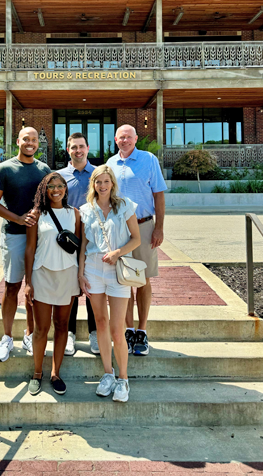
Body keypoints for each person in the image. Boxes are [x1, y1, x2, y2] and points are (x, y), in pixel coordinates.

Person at [0, 127, 50, 362]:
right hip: (14, 235)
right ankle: (6, 337)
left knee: (33, 289)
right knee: (12, 286)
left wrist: (35, 212)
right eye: (26, 139)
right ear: (18, 141)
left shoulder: (44, 169)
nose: (30, 143)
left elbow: (49, 198)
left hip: (39, 238)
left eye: (34, 140)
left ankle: (30, 335)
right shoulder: (4, 168)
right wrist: (19, 219)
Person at [78, 165, 140, 403]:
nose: (102, 186)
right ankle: (108, 374)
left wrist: (117, 252)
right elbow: (83, 244)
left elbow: (136, 239)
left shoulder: (125, 205)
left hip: (118, 271)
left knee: (117, 329)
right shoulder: (85, 210)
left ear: (112, 183)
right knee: (100, 325)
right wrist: (80, 272)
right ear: (93, 184)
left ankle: (123, 379)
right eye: (98, 182)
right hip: (93, 270)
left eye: (106, 182)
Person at [107, 124, 167, 356]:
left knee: (142, 280)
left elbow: (159, 195)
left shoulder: (148, 159)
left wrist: (159, 227)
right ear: (116, 139)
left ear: (136, 138)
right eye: (121, 137)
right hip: (118, 230)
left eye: (129, 137)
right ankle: (128, 329)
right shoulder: (111, 164)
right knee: (123, 281)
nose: (125, 141)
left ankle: (141, 331)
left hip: (143, 227)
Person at [24, 172, 81, 396]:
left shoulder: (74, 214)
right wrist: (28, 282)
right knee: (41, 329)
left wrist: (80, 275)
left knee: (62, 325)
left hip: (67, 274)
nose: (56, 190)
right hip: (42, 274)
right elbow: (30, 249)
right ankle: (37, 373)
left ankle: (56, 373)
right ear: (44, 190)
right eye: (51, 186)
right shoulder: (37, 214)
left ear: (66, 189)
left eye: (60, 186)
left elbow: (79, 247)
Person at [57, 132, 99, 356]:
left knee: (92, 286)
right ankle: (69, 333)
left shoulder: (98, 174)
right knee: (70, 288)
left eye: (81, 146)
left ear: (88, 148)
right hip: (69, 240)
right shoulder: (60, 176)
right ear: (68, 150)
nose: (78, 150)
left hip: (94, 240)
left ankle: (94, 333)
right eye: (73, 147)